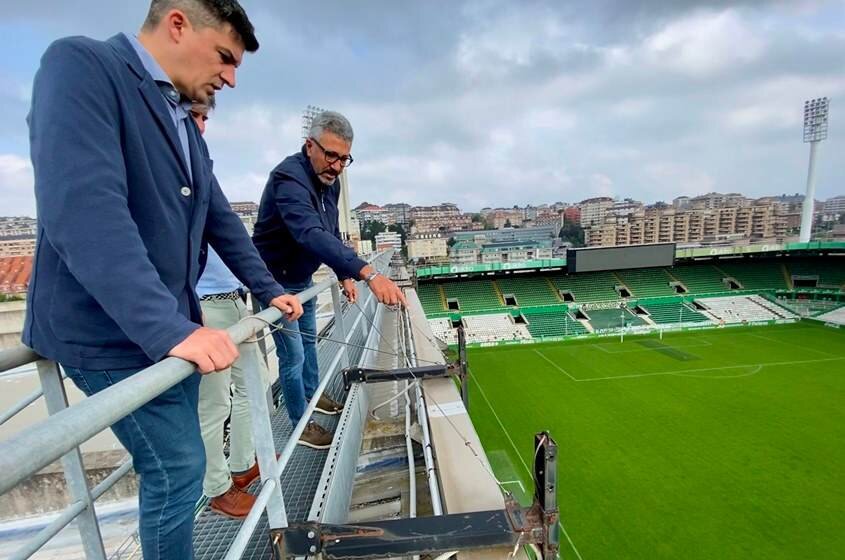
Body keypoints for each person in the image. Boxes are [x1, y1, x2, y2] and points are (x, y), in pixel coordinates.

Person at [24, 1, 302, 558]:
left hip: (163, 328)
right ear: (177, 24)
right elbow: (85, 210)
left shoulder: (178, 112)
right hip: (106, 334)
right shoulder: (80, 63)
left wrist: (268, 288)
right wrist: (168, 329)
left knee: (182, 465)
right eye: (225, 57)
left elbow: (219, 217)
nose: (230, 76)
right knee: (178, 468)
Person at [253, 111, 406, 449]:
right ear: (310, 146)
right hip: (275, 285)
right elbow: (309, 233)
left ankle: (312, 397)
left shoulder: (329, 183)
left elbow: (331, 231)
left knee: (308, 346)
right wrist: (368, 273)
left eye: (344, 159)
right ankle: (301, 424)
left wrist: (342, 274)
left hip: (302, 278)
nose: (337, 166)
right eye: (331, 155)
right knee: (292, 355)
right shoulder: (288, 179)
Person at [190, 98, 268, 519]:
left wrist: (266, 289)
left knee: (250, 387)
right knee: (215, 402)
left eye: (204, 117)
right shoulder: (172, 172)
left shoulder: (198, 168)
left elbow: (230, 236)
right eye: (193, 116)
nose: (200, 126)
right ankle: (218, 487)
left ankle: (240, 466)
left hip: (235, 300)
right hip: (206, 305)